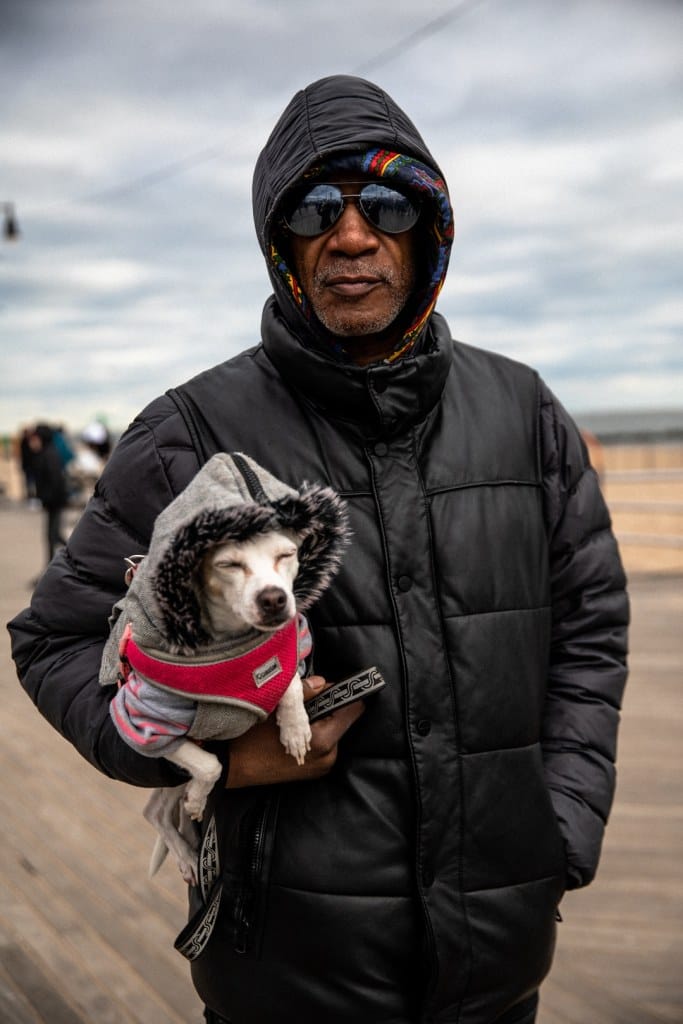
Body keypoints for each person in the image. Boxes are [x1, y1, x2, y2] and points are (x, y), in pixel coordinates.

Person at [8, 75, 629, 1024]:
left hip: (497, 954)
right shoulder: (190, 430)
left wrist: (562, 826)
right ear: (280, 242)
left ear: (428, 232)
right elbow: (53, 639)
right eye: (314, 209)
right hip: (285, 962)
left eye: (385, 205)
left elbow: (590, 627)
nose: (350, 235)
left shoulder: (523, 412)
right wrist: (180, 749)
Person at [25, 422, 69, 566]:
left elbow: (56, 481)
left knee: (52, 536)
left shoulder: (49, 454)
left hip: (55, 502)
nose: (32, 441)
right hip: (53, 502)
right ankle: (52, 566)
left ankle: (52, 566)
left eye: (35, 438)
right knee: (53, 536)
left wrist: (47, 499)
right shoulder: (45, 452)